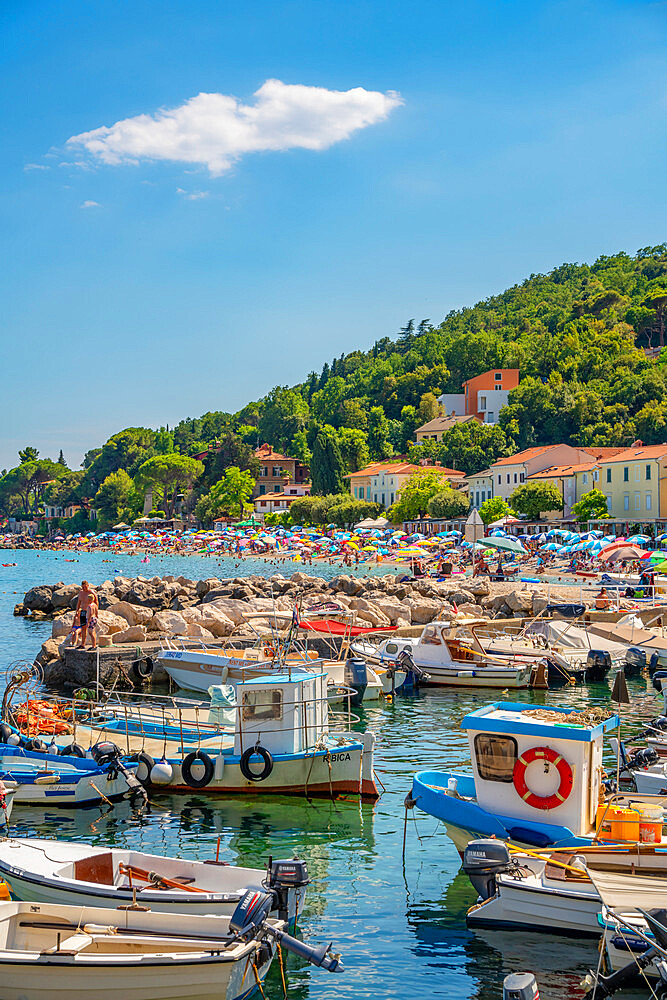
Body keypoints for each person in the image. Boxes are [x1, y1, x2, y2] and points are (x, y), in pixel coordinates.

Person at [73, 580, 96, 649]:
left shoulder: (91, 593)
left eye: (85, 587)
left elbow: (96, 602)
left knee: (91, 630)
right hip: (83, 612)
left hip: (89, 612)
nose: (84, 588)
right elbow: (79, 602)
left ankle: (93, 645)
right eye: (83, 587)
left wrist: (95, 613)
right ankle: (83, 644)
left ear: (88, 586)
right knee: (83, 628)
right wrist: (77, 611)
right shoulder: (81, 593)